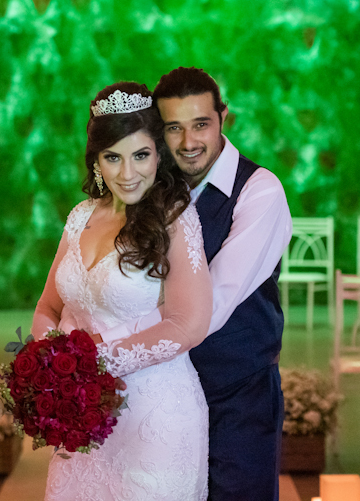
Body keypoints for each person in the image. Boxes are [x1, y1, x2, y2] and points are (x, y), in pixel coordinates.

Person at [94, 67, 292, 500]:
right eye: (173, 128)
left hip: (236, 397)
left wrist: (101, 349)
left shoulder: (260, 192)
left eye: (201, 124)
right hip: (158, 393)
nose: (188, 142)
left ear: (224, 117)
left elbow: (208, 307)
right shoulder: (147, 189)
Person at [31, 81, 213, 501]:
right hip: (82, 420)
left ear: (158, 153)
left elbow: (189, 323)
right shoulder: (80, 217)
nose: (128, 173)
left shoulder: (175, 218)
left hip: (155, 420)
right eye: (113, 157)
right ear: (96, 160)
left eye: (141, 155)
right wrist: (53, 367)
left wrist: (90, 363)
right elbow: (47, 307)